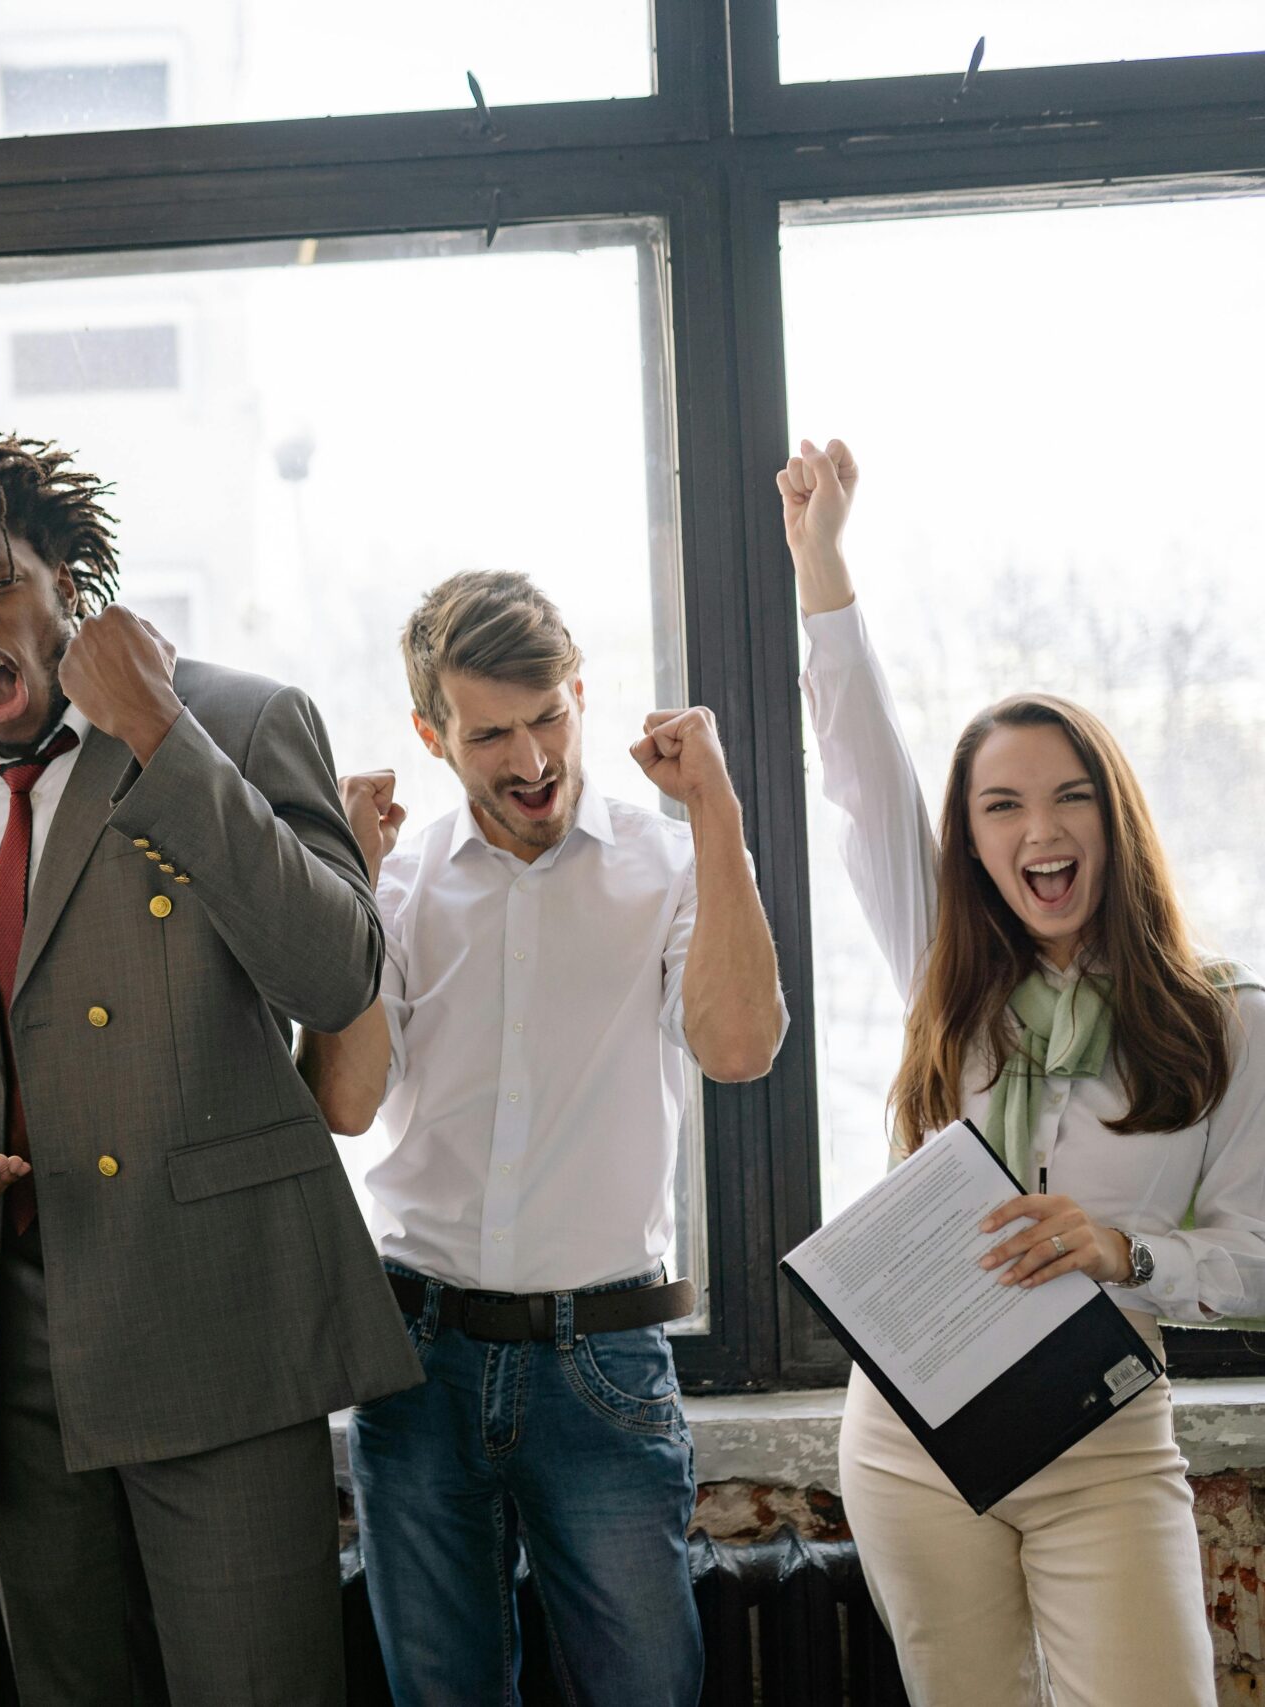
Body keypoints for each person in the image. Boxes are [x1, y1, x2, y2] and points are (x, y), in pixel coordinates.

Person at [0, 434, 419, 1705]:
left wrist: (156, 727)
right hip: (19, 1346)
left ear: (65, 578)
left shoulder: (239, 720)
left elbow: (335, 972)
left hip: (218, 1323)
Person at [788, 436, 1260, 1704]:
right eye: (999, 806)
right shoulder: (941, 968)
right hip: (911, 1437)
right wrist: (820, 567)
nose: (1038, 831)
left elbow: (1261, 1254)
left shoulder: (1221, 1020)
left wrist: (1123, 1250)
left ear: (1114, 817)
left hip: (1102, 1435)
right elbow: (859, 769)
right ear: (971, 840)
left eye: (1067, 799)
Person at [297, 569, 785, 1706]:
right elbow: (347, 1104)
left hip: (604, 1364)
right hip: (414, 1361)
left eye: (551, 719)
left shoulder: (669, 863)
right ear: (431, 734)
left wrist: (714, 809)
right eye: (491, 735)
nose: (530, 762)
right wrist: (348, 892)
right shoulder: (401, 884)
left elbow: (738, 1048)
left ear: (580, 694)